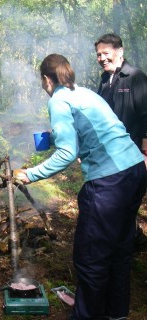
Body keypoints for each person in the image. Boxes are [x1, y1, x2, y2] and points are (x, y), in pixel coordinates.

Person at [14, 54, 146, 319]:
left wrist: (30, 174)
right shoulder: (85, 93)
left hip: (109, 181)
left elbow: (66, 154)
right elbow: (98, 129)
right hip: (135, 171)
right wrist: (52, 138)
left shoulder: (58, 100)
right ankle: (115, 314)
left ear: (46, 79)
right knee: (120, 252)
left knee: (90, 259)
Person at [95, 33, 147, 251]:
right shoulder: (104, 80)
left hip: (133, 156)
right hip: (110, 157)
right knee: (116, 203)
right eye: (98, 54)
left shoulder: (135, 77)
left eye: (106, 53)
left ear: (120, 52)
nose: (102, 58)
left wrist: (145, 154)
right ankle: (124, 243)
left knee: (127, 203)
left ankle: (130, 245)